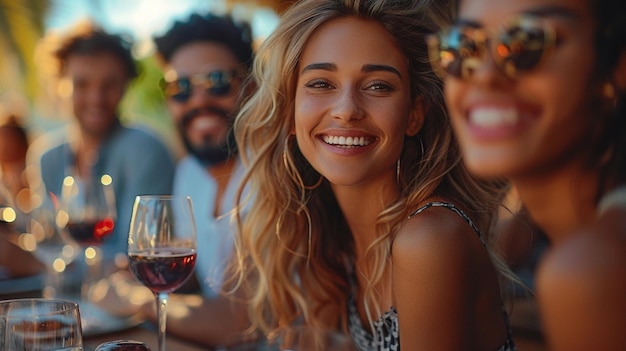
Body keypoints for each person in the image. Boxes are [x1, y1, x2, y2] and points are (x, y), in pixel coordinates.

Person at [231, 0, 517, 349]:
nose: (347, 110)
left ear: (414, 115)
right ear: (289, 112)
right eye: (321, 84)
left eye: (378, 86)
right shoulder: (329, 242)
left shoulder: (429, 239)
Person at [430, 0, 626, 349]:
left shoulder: (593, 268)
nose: (486, 74)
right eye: (463, 45)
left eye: (529, 41)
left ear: (616, 65)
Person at [29, 22, 175, 259]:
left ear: (125, 87)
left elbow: (136, 255)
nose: (96, 98)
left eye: (109, 85)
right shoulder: (47, 157)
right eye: (82, 84)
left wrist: (41, 264)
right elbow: (47, 240)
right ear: (60, 85)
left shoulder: (145, 151)